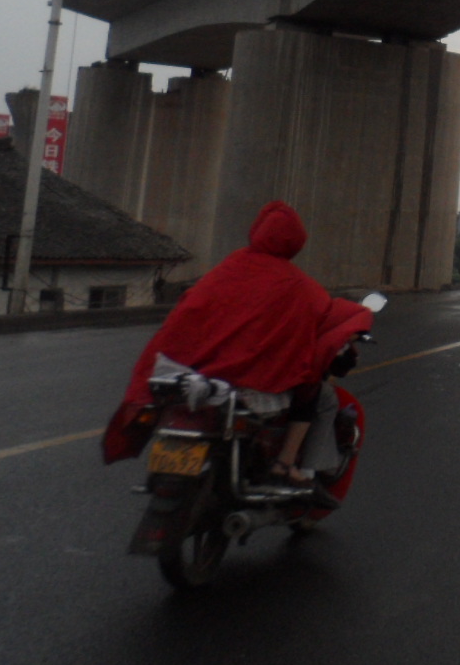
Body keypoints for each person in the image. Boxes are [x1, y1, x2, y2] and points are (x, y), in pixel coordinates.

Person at [102, 200, 373, 489]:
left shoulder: (225, 270)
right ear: (296, 242)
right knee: (317, 394)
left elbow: (183, 319)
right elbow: (326, 323)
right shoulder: (301, 287)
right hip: (255, 386)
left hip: (197, 375)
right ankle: (286, 462)